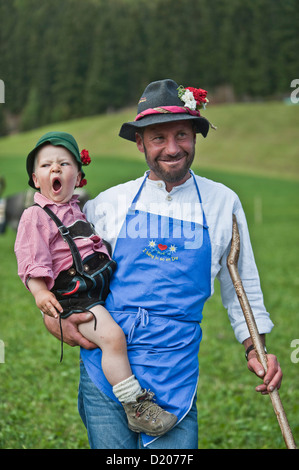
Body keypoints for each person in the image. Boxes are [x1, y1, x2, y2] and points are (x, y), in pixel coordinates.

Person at [43, 80, 283, 449]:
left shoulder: (222, 203)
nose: (172, 149)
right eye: (158, 138)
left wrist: (256, 348)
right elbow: (64, 271)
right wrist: (53, 317)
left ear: (195, 137)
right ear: (140, 142)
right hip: (106, 373)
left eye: (182, 135)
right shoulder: (108, 204)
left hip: (174, 369)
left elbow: (242, 285)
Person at [14, 131, 178, 437]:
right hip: (73, 297)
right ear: (36, 179)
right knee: (113, 337)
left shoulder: (78, 209)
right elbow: (30, 257)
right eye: (47, 165)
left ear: (78, 176)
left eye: (64, 164)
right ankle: (136, 406)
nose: (56, 170)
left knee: (115, 333)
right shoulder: (35, 216)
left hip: (93, 289)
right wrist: (40, 293)